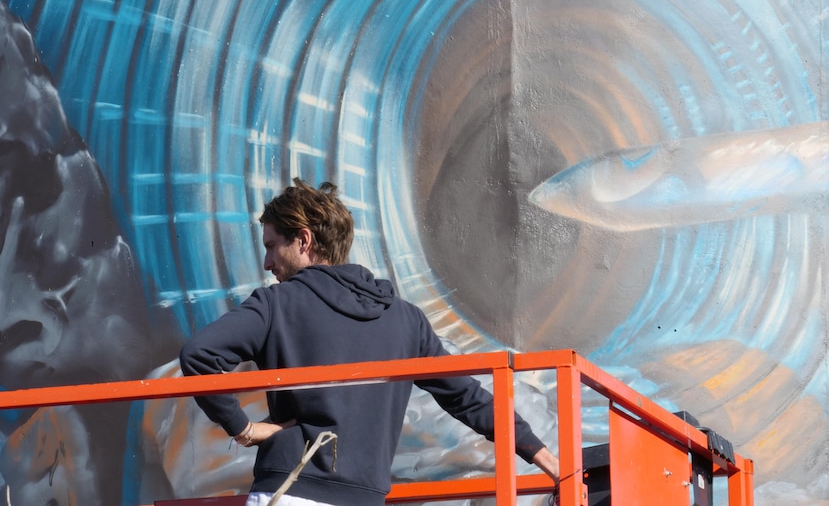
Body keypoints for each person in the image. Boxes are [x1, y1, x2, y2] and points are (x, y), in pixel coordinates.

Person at [180, 178, 560, 506]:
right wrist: (542, 455)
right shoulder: (405, 318)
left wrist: (243, 429)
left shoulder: (276, 303)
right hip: (364, 496)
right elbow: (466, 397)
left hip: (290, 487)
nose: (267, 262)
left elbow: (199, 356)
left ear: (304, 241)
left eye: (272, 245)